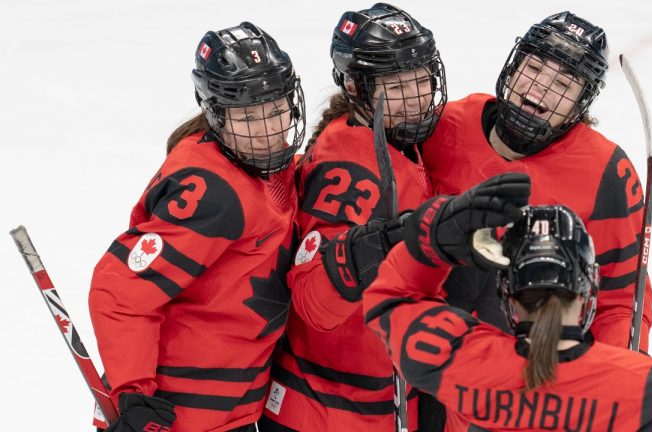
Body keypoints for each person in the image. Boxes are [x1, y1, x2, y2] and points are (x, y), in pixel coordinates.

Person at [89, 22, 305, 432]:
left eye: (276, 110)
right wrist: (133, 392)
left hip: (233, 410)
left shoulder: (271, 168)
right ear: (216, 115)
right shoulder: (214, 192)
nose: (267, 131)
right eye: (247, 116)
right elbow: (119, 288)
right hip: (175, 417)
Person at [362, 189, 652, 431]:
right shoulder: (651, 391)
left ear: (507, 288)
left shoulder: (461, 360)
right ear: (587, 285)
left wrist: (435, 236)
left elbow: (390, 297)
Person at [258, 3, 446, 431]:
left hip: (370, 405)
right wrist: (364, 254)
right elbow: (313, 304)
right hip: (327, 414)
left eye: (421, 79)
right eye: (397, 86)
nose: (416, 97)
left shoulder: (398, 143)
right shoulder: (350, 166)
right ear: (359, 89)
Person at [421, 11, 652, 351]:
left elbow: (621, 300)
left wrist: (616, 382)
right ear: (513, 68)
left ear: (580, 103)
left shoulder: (607, 171)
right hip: (426, 360)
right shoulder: (444, 126)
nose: (540, 87)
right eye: (533, 68)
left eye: (563, 84)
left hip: (534, 381)